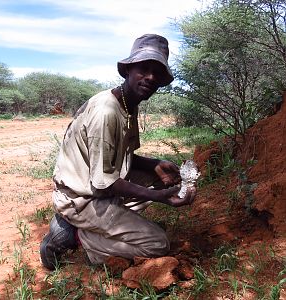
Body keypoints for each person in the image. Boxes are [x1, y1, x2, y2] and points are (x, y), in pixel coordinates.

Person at [40, 33, 197, 270]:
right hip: (82, 197)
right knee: (158, 244)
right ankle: (84, 238)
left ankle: (99, 225)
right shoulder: (107, 111)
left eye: (157, 73)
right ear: (127, 71)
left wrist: (155, 164)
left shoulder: (127, 103)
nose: (150, 78)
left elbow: (120, 158)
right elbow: (105, 183)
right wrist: (159, 198)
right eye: (143, 69)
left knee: (161, 177)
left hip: (97, 185)